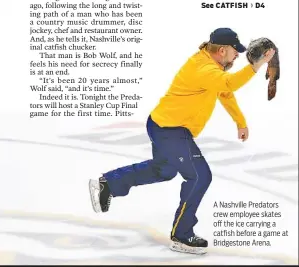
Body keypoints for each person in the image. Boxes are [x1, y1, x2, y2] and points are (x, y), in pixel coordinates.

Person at [88, 28, 275, 254]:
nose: (237, 55)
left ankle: (108, 183)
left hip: (162, 125)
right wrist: (255, 66)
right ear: (222, 50)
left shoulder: (210, 66)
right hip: (170, 130)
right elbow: (228, 85)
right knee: (199, 175)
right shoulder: (203, 68)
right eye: (235, 52)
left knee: (163, 170)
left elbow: (224, 92)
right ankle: (182, 235)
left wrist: (240, 122)